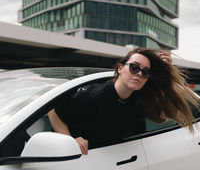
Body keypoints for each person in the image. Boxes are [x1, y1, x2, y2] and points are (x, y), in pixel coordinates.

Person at [48, 48, 199, 155]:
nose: (139, 73)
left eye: (145, 72)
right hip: (84, 163)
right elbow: (54, 110)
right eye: (134, 67)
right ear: (120, 69)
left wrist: (168, 73)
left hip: (124, 165)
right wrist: (70, 142)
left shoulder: (140, 101)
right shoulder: (93, 96)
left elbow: (166, 114)